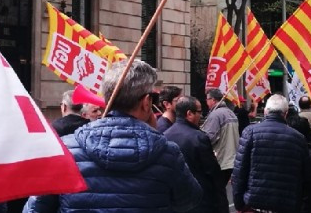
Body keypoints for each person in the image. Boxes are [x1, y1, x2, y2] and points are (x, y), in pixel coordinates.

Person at [23, 60, 201, 213]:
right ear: (146, 102)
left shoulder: (65, 149)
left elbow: (35, 208)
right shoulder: (168, 154)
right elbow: (189, 200)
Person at [232, 94, 311, 213]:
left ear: (265, 111)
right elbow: (307, 177)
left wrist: (239, 204)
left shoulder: (250, 133)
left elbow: (239, 172)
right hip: (286, 206)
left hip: (255, 205)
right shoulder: (298, 138)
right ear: (285, 113)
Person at [164, 96, 224, 213]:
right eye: (199, 112)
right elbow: (213, 172)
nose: (201, 116)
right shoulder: (199, 137)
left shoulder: (165, 135)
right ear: (189, 113)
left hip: (175, 199)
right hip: (200, 201)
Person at [203, 87, 240, 213]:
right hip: (231, 159)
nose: (206, 102)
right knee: (221, 192)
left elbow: (208, 138)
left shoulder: (216, 115)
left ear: (213, 100)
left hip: (221, 159)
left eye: (207, 99)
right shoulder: (230, 112)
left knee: (216, 193)